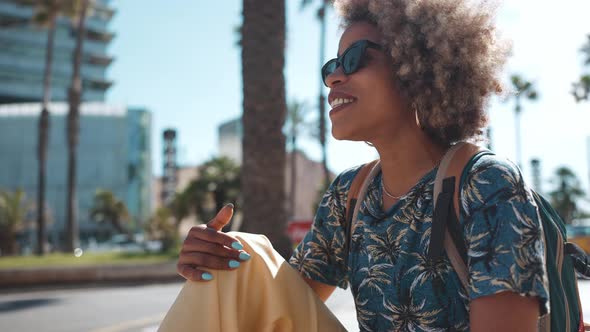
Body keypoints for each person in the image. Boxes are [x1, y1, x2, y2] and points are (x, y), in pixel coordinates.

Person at [174, 0, 549, 331]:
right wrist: (215, 256)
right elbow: (277, 305)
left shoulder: (486, 183)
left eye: (355, 59)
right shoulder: (348, 195)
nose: (334, 78)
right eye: (332, 66)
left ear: (414, 69)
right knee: (239, 259)